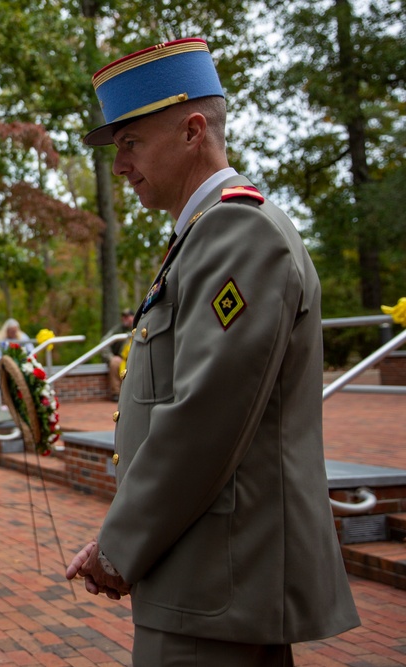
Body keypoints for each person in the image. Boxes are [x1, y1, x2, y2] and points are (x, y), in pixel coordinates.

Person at [65, 38, 359, 665]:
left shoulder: (236, 231)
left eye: (131, 143)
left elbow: (203, 420)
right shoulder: (202, 236)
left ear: (193, 130)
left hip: (217, 578)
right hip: (203, 571)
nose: (120, 166)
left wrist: (118, 548)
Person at [99, 309, 134, 401]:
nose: (125, 319)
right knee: (114, 363)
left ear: (133, 317)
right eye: (124, 317)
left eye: (128, 316)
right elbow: (104, 342)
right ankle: (116, 393)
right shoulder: (118, 329)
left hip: (136, 356)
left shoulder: (140, 326)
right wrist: (110, 357)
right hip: (122, 358)